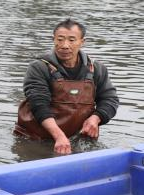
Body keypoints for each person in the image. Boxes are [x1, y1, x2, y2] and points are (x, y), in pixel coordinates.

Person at [14, 19, 119, 155]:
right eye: (60, 39)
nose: (65, 45)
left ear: (82, 41)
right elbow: (39, 105)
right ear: (54, 40)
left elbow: (110, 99)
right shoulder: (39, 67)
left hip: (78, 139)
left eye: (71, 40)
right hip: (36, 139)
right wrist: (59, 136)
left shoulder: (96, 69)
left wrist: (96, 118)